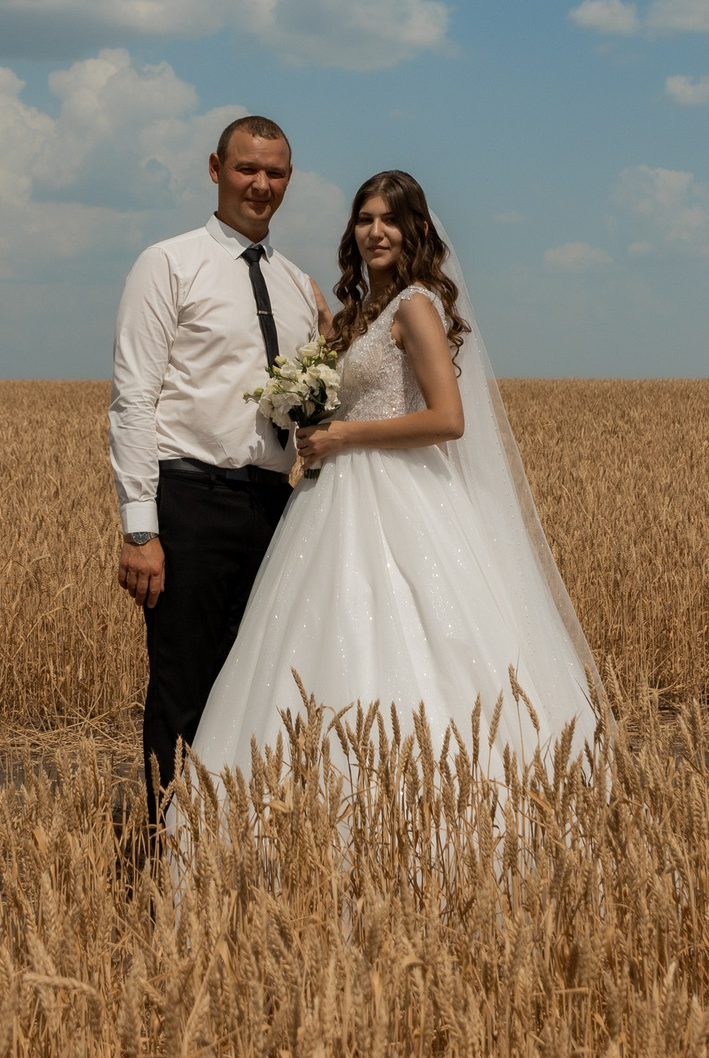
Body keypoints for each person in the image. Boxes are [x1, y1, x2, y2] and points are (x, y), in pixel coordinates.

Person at [187, 169, 603, 786]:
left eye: (390, 219)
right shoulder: (362, 314)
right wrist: (324, 345)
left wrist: (342, 436)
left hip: (399, 493)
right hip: (334, 495)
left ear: (417, 230)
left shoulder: (415, 306)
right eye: (364, 219)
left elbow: (448, 418)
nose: (375, 232)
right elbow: (344, 389)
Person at [109, 115, 331, 843]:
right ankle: (152, 862)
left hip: (275, 504)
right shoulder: (167, 264)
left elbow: (313, 406)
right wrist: (141, 527)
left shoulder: (300, 288)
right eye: (246, 169)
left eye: (275, 173)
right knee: (182, 692)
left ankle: (228, 854)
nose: (260, 185)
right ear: (215, 169)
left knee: (260, 687)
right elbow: (134, 397)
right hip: (192, 499)